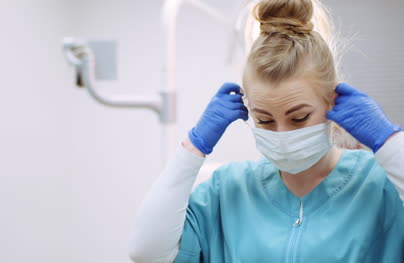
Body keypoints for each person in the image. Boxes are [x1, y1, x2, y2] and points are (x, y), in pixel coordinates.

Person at [128, 0, 404, 262]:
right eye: (265, 120)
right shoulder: (227, 191)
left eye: (298, 118)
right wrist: (194, 146)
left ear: (331, 102)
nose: (282, 133)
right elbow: (146, 251)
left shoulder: (380, 187)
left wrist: (389, 142)